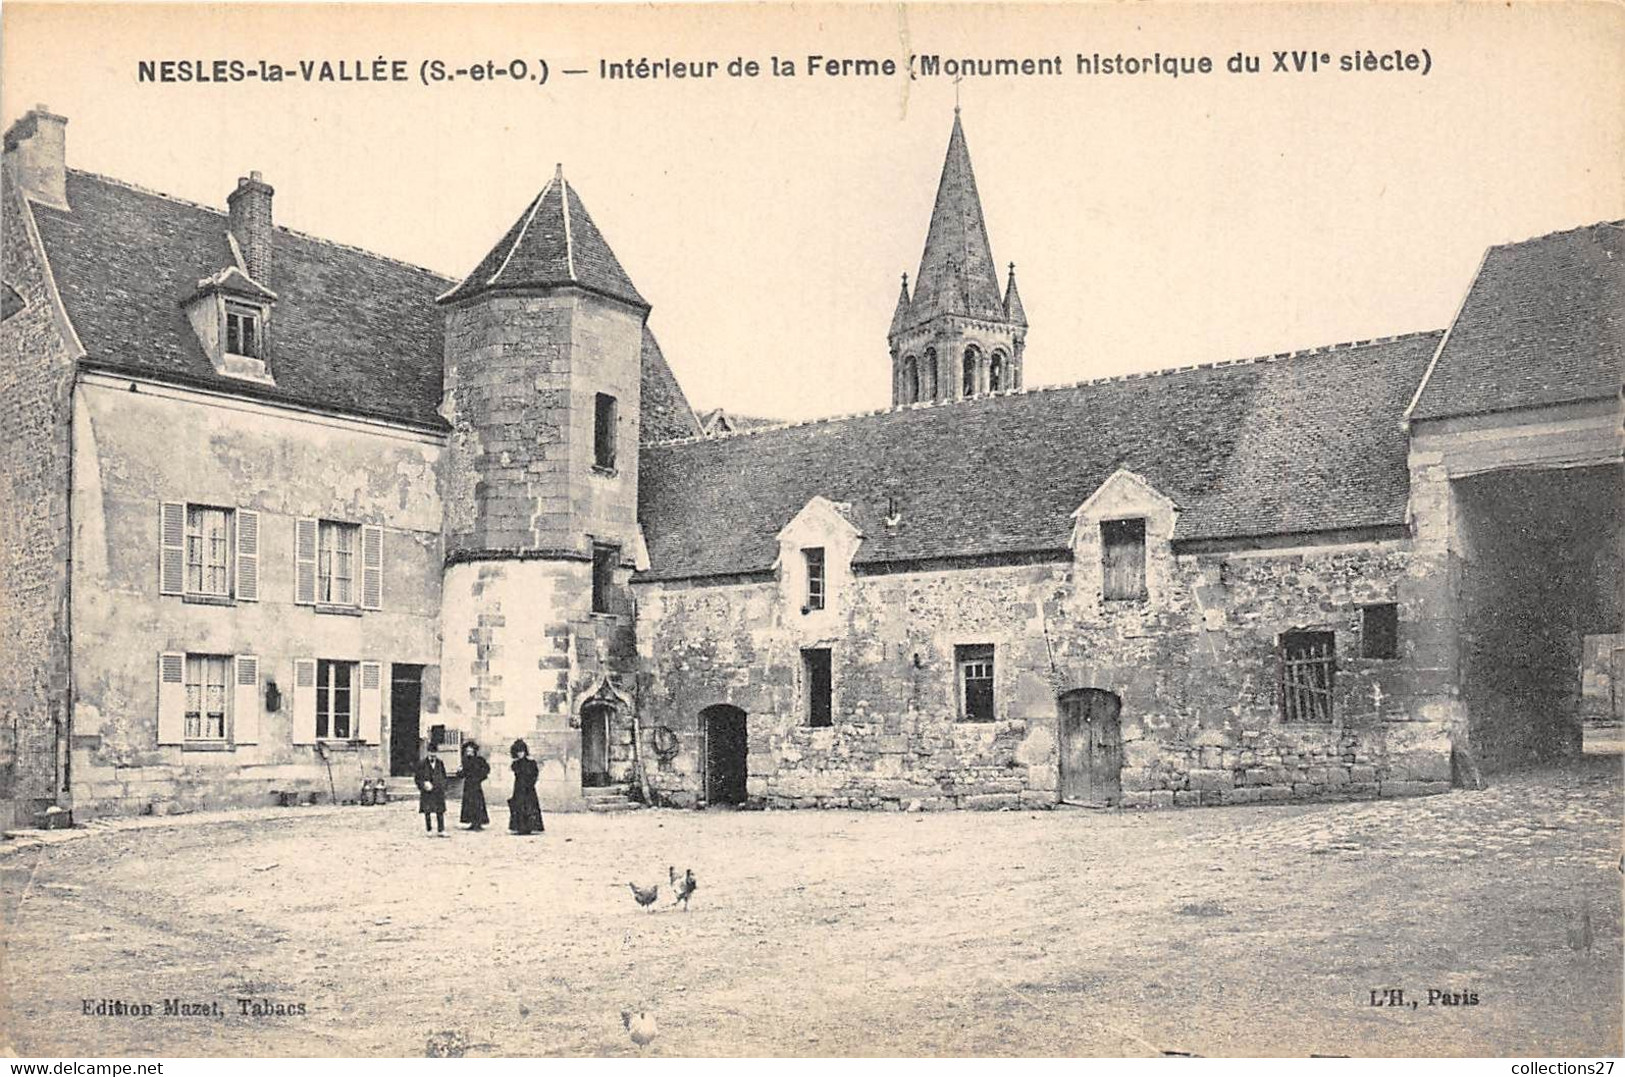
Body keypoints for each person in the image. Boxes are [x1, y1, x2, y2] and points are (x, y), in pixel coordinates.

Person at [508, 739, 545, 835]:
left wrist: (531, 783)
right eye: (518, 752)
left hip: (529, 788)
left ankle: (530, 826)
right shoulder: (515, 764)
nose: (520, 754)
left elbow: (535, 774)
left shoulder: (531, 762)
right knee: (519, 806)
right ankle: (519, 827)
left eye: (522, 752)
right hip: (518, 787)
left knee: (529, 806)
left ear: (525, 752)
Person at [415, 742, 448, 836]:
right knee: (427, 811)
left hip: (438, 790)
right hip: (427, 791)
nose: (433, 755)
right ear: (427, 752)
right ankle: (428, 830)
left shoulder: (440, 763)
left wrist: (443, 786)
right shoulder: (422, 763)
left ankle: (441, 830)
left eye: (434, 753)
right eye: (431, 752)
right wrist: (423, 785)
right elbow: (417, 778)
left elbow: (444, 776)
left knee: (440, 810)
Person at [459, 740, 490, 831]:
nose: (469, 753)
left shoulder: (479, 760)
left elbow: (486, 770)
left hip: (476, 785)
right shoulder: (465, 761)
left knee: (477, 803)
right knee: (469, 804)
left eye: (471, 751)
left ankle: (478, 823)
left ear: (474, 751)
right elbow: (462, 774)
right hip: (468, 785)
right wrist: (459, 771)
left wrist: (480, 778)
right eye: (467, 751)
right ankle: (472, 822)